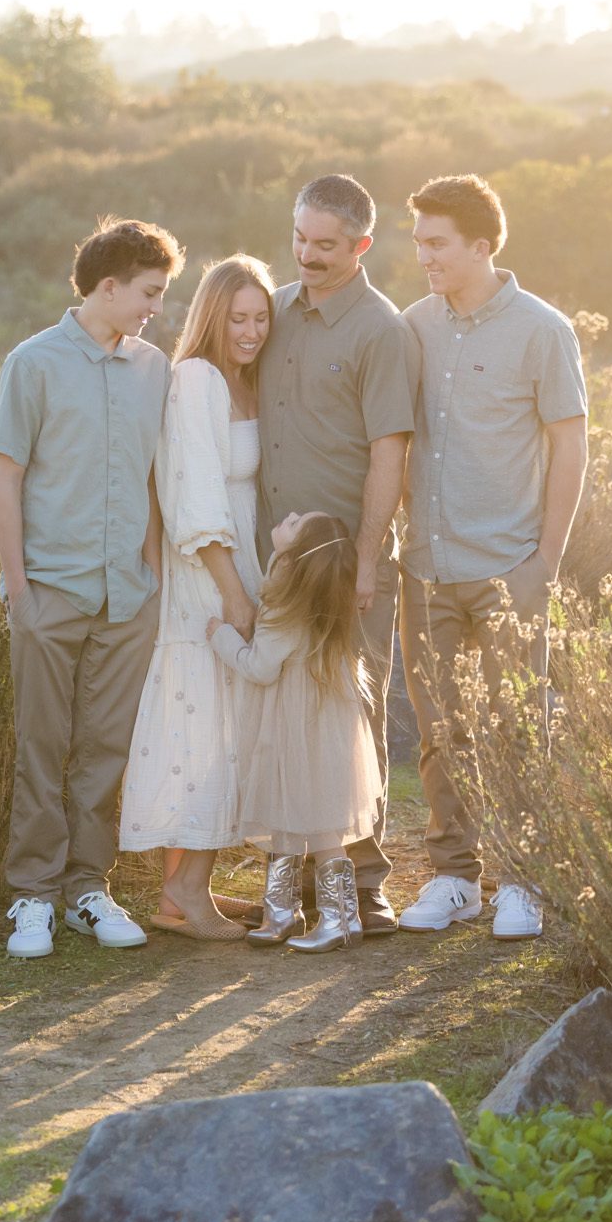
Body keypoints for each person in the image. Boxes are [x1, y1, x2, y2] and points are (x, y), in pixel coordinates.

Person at [393, 174, 588, 941]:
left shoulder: (543, 330)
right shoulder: (413, 324)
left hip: (510, 567)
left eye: (436, 243)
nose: (423, 256)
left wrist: (545, 559)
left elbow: (570, 443)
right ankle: (453, 878)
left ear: (482, 245)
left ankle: (523, 879)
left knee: (516, 728)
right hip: (427, 566)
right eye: (418, 242)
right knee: (441, 732)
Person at [0, 216, 186, 959]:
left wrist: (158, 579)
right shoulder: (32, 363)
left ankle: (87, 889)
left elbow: (156, 481)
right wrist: (20, 595)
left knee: (106, 750)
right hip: (51, 593)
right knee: (43, 746)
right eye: (149, 292)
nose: (155, 307)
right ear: (109, 286)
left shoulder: (154, 368)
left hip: (128, 599)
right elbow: (5, 481)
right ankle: (32, 895)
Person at [255, 174, 418, 935]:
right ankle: (290, 876)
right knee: (285, 710)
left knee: (356, 712)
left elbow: (391, 453)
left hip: (346, 563)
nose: (307, 255)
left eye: (325, 244)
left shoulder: (381, 330)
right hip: (280, 559)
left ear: (361, 245)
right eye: (299, 239)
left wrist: (367, 555)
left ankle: (364, 880)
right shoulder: (274, 312)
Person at [120, 254, 277, 941]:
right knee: (207, 726)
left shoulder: (244, 382)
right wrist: (234, 594)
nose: (250, 330)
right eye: (237, 317)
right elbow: (194, 499)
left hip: (237, 560)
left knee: (219, 726)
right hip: (206, 574)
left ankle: (182, 892)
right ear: (213, 316)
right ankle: (186, 885)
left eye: (261, 317)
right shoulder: (196, 379)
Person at [207, 510, 383, 953]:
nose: (288, 515)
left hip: (294, 727)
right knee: (295, 814)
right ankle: (281, 912)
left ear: (297, 554)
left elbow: (260, 668)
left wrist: (221, 637)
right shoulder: (315, 597)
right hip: (319, 725)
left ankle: (340, 919)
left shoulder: (285, 606)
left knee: (321, 826)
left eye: (297, 522)